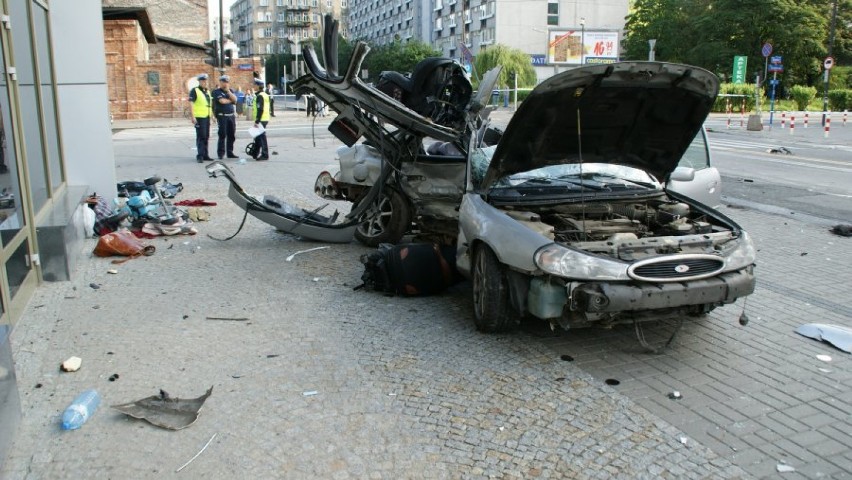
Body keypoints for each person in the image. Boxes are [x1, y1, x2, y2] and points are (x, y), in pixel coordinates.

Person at [212, 75, 239, 159]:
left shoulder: (230, 91)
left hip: (231, 116)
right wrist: (231, 100)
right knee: (222, 135)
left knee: (231, 135)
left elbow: (235, 100)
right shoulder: (216, 92)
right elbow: (222, 101)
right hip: (222, 116)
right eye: (223, 82)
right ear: (220, 82)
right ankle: (221, 153)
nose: (225, 84)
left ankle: (230, 152)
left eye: (227, 82)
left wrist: (229, 93)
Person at [188, 73, 213, 162]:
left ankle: (206, 154)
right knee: (201, 136)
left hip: (206, 116)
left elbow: (209, 104)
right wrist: (192, 116)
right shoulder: (194, 90)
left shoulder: (207, 91)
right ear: (199, 81)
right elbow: (191, 103)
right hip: (199, 117)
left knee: (206, 136)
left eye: (206, 81)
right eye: (203, 81)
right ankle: (200, 155)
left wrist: (211, 116)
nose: (205, 82)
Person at [253, 78, 271, 161]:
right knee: (258, 136)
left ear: (258, 86)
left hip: (261, 119)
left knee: (261, 137)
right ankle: (255, 152)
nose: (254, 86)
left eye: (255, 85)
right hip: (265, 118)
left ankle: (265, 154)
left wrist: (257, 120)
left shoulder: (260, 96)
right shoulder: (265, 95)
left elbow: (260, 109)